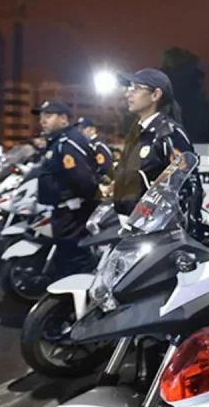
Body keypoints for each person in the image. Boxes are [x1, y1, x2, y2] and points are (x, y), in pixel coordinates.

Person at [112, 68, 198, 221]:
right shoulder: (139, 133)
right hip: (129, 223)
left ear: (156, 95)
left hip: (154, 227)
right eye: (129, 88)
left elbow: (187, 186)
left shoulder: (169, 134)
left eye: (136, 88)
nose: (128, 94)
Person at [34, 101, 100, 277]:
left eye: (48, 116)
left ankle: (81, 293)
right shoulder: (58, 141)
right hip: (64, 212)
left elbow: (83, 178)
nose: (42, 121)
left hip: (73, 214)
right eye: (41, 117)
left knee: (76, 262)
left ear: (63, 119)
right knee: (66, 259)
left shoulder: (68, 141)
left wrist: (87, 204)